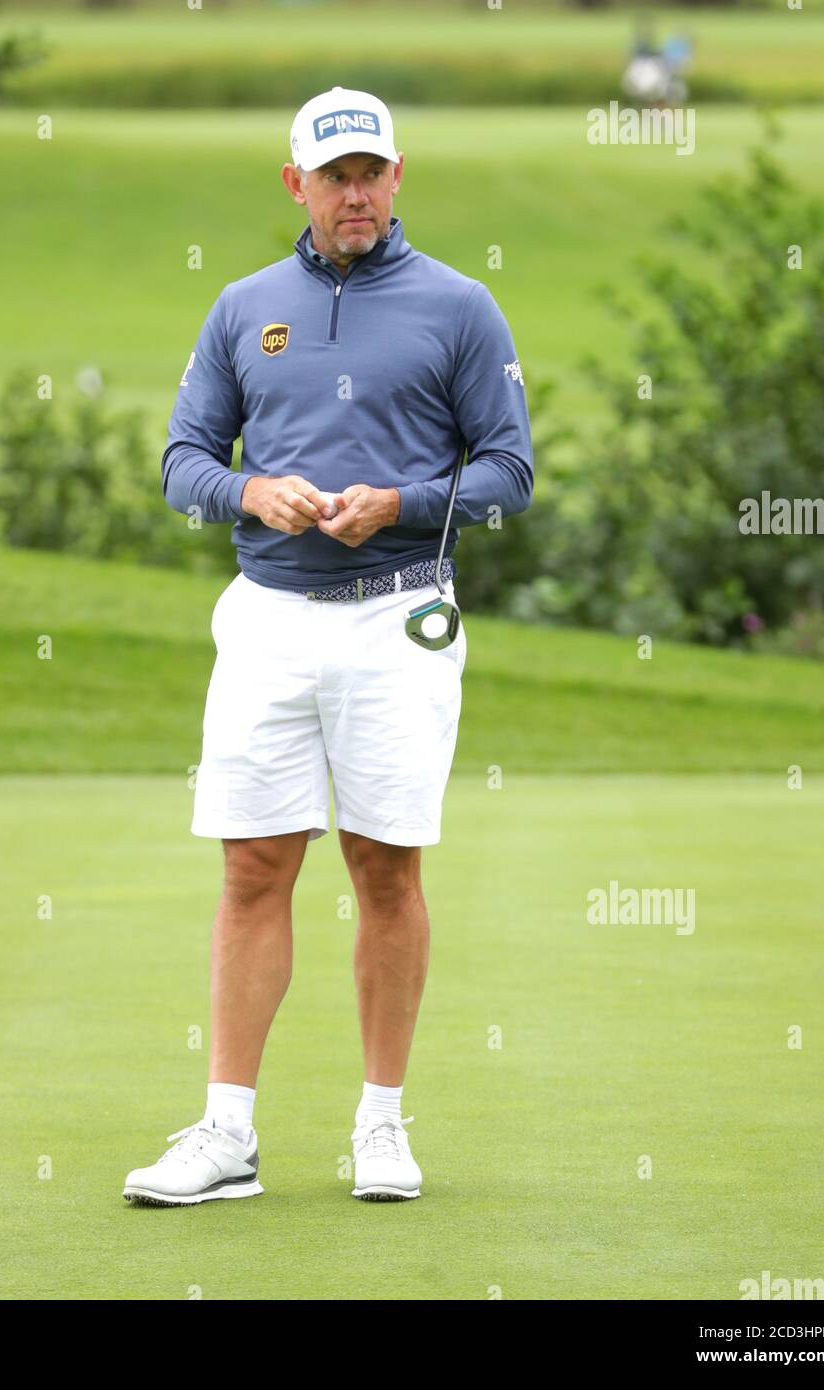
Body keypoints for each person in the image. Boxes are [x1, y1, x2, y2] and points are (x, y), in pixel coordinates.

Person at [123, 86, 533, 1207]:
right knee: (253, 865)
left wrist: (393, 503)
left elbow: (508, 474)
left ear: (399, 178)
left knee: (384, 869)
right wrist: (253, 487)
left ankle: (383, 1127)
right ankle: (226, 1134)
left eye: (371, 173)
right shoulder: (243, 307)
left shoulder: (460, 307)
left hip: (395, 615)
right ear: (295, 184)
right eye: (332, 175)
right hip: (266, 617)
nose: (354, 193)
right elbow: (182, 461)